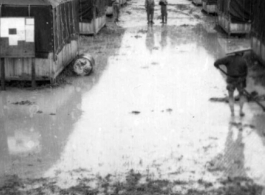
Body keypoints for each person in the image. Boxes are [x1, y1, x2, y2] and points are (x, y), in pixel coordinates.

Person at [214, 52, 248, 117]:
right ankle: (241, 111)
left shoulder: (228, 59)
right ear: (241, 53)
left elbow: (216, 62)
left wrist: (217, 66)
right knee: (241, 95)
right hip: (240, 81)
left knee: (231, 96)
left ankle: (232, 113)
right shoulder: (243, 61)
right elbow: (245, 74)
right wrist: (243, 83)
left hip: (230, 80)